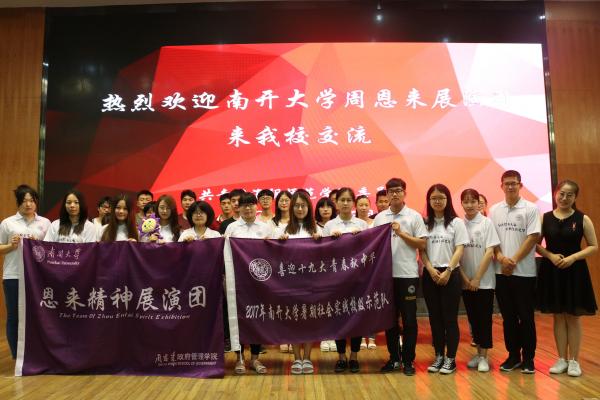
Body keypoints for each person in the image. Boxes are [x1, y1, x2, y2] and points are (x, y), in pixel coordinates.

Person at [536, 180, 598, 377]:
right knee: (558, 316)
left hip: (575, 272)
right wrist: (550, 256)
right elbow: (535, 244)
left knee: (573, 317)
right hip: (552, 270)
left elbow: (593, 246)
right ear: (555, 194)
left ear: (575, 197)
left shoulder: (582, 218)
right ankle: (561, 359)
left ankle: (574, 361)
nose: (564, 198)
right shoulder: (545, 218)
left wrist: (573, 258)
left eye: (569, 195)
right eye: (561, 193)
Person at [490, 170, 540, 374]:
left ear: (520, 185)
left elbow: (533, 237)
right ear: (501, 186)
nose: (510, 186)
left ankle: (528, 358)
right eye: (507, 183)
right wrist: (501, 258)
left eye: (514, 183)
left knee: (526, 317)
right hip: (501, 272)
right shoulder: (494, 210)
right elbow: (491, 239)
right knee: (508, 317)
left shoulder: (531, 208)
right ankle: (513, 356)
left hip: (524, 273)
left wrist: (514, 260)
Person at [375, 178, 427, 376]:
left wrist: (401, 233)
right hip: (385, 277)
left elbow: (422, 244)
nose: (394, 194)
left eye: (398, 190)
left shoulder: (414, 216)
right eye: (391, 191)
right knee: (390, 321)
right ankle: (394, 358)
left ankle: (408, 360)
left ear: (405, 192)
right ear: (386, 194)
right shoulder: (380, 217)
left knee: (410, 320)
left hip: (407, 275)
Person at [420, 184, 469, 375]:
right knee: (435, 319)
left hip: (451, 274)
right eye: (433, 198)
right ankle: (439, 355)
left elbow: (460, 248)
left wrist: (448, 270)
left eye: (441, 198)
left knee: (450, 319)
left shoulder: (456, 223)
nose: (437, 201)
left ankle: (451, 358)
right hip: (430, 274)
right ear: (429, 201)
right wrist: (430, 269)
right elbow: (422, 250)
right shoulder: (425, 223)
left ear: (447, 200)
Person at [0, 185, 51, 359]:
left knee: (38, 315)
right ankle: (17, 356)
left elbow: (51, 250)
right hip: (13, 275)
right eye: (24, 201)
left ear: (36, 202)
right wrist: (11, 245)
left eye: (31, 200)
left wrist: (39, 244)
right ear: (18, 203)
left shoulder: (45, 223)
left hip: (38, 277)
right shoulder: (8, 223)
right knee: (14, 316)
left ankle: (36, 352)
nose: (28, 204)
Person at [224, 192, 273, 374]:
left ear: (256, 206)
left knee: (256, 317)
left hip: (259, 281)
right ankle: (239, 358)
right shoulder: (232, 228)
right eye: (244, 205)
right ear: (239, 208)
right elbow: (225, 253)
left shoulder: (266, 228)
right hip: (236, 281)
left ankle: (255, 358)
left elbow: (274, 252)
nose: (248, 208)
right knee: (236, 318)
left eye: (251, 204)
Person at [275, 190, 321, 374]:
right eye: (296, 206)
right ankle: (296, 358)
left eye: (303, 205)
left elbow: (327, 253)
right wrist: (279, 242)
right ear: (291, 208)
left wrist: (321, 241)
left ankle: (307, 357)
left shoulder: (317, 229)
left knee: (309, 320)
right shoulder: (282, 229)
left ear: (309, 208)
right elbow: (271, 253)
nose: (300, 209)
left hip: (312, 283)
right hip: (290, 283)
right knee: (293, 319)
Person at [322, 187, 368, 373]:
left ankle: (354, 356)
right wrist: (332, 241)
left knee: (357, 317)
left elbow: (369, 249)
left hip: (358, 278)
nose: (346, 203)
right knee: (338, 317)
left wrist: (360, 238)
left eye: (349, 200)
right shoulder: (329, 225)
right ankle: (341, 357)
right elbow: (322, 253)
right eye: (342, 200)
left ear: (353, 203)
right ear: (337, 203)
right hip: (337, 280)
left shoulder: (362, 224)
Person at [459, 188, 500, 373]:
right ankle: (478, 353)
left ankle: (484, 356)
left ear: (479, 203)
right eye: (466, 202)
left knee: (484, 319)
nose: (469, 205)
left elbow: (490, 252)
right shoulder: (458, 224)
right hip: (465, 281)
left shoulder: (486, 223)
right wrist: (465, 279)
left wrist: (476, 278)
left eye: (473, 201)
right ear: (461, 204)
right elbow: (455, 254)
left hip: (484, 282)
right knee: (473, 319)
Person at [355, 194, 376, 350]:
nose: (363, 208)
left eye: (365, 205)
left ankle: (372, 336)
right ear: (356, 207)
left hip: (374, 268)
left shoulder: (377, 223)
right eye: (360, 205)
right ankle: (361, 335)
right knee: (359, 304)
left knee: (371, 303)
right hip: (357, 269)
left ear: (370, 206)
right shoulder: (353, 223)